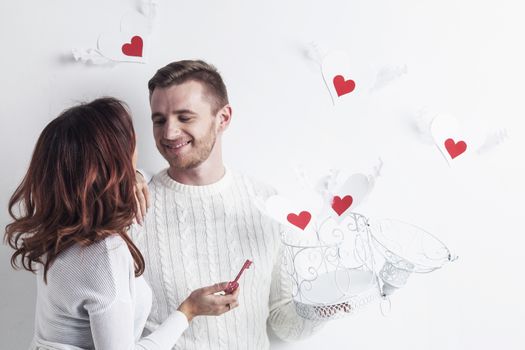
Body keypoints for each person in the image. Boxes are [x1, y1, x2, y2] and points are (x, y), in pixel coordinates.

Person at [4, 97, 239, 350]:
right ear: (115, 162)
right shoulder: (103, 253)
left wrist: (134, 177)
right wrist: (188, 311)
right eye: (133, 143)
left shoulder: (59, 228)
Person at [132, 60, 324, 350]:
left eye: (185, 117)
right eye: (159, 120)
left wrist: (326, 305)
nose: (169, 133)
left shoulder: (267, 203)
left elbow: (283, 322)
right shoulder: (135, 204)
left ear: (223, 118)